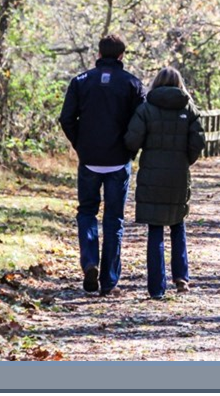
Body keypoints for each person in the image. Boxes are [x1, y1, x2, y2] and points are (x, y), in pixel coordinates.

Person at [59, 35, 146, 296]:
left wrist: (81, 145)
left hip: (90, 161)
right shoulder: (132, 83)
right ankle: (108, 281)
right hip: (118, 162)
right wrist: (130, 149)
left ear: (99, 53)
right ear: (121, 56)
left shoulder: (81, 82)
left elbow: (66, 118)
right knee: (114, 219)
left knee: (86, 212)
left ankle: (89, 262)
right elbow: (139, 123)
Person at [124, 67, 205, 300]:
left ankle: (156, 287)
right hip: (178, 173)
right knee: (178, 223)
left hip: (151, 174)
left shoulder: (146, 108)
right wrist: (185, 160)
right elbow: (198, 141)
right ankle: (181, 277)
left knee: (155, 229)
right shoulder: (189, 108)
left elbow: (132, 139)